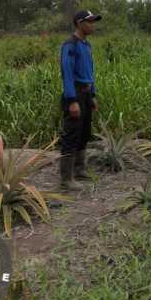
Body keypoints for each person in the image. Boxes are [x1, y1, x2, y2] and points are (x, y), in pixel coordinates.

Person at [59, 10, 102, 191]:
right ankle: (66, 179)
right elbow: (67, 73)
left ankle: (79, 168)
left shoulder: (86, 45)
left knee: (84, 132)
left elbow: (89, 72)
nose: (92, 25)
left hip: (85, 93)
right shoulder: (70, 45)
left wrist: (92, 95)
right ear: (79, 23)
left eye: (93, 22)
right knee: (71, 135)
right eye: (89, 22)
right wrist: (72, 100)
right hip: (74, 93)